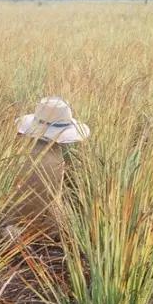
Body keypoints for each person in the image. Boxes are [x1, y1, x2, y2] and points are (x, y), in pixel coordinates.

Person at [10, 96, 90, 233]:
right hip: (43, 227)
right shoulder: (56, 157)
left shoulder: (18, 151)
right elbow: (52, 200)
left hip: (11, 221)